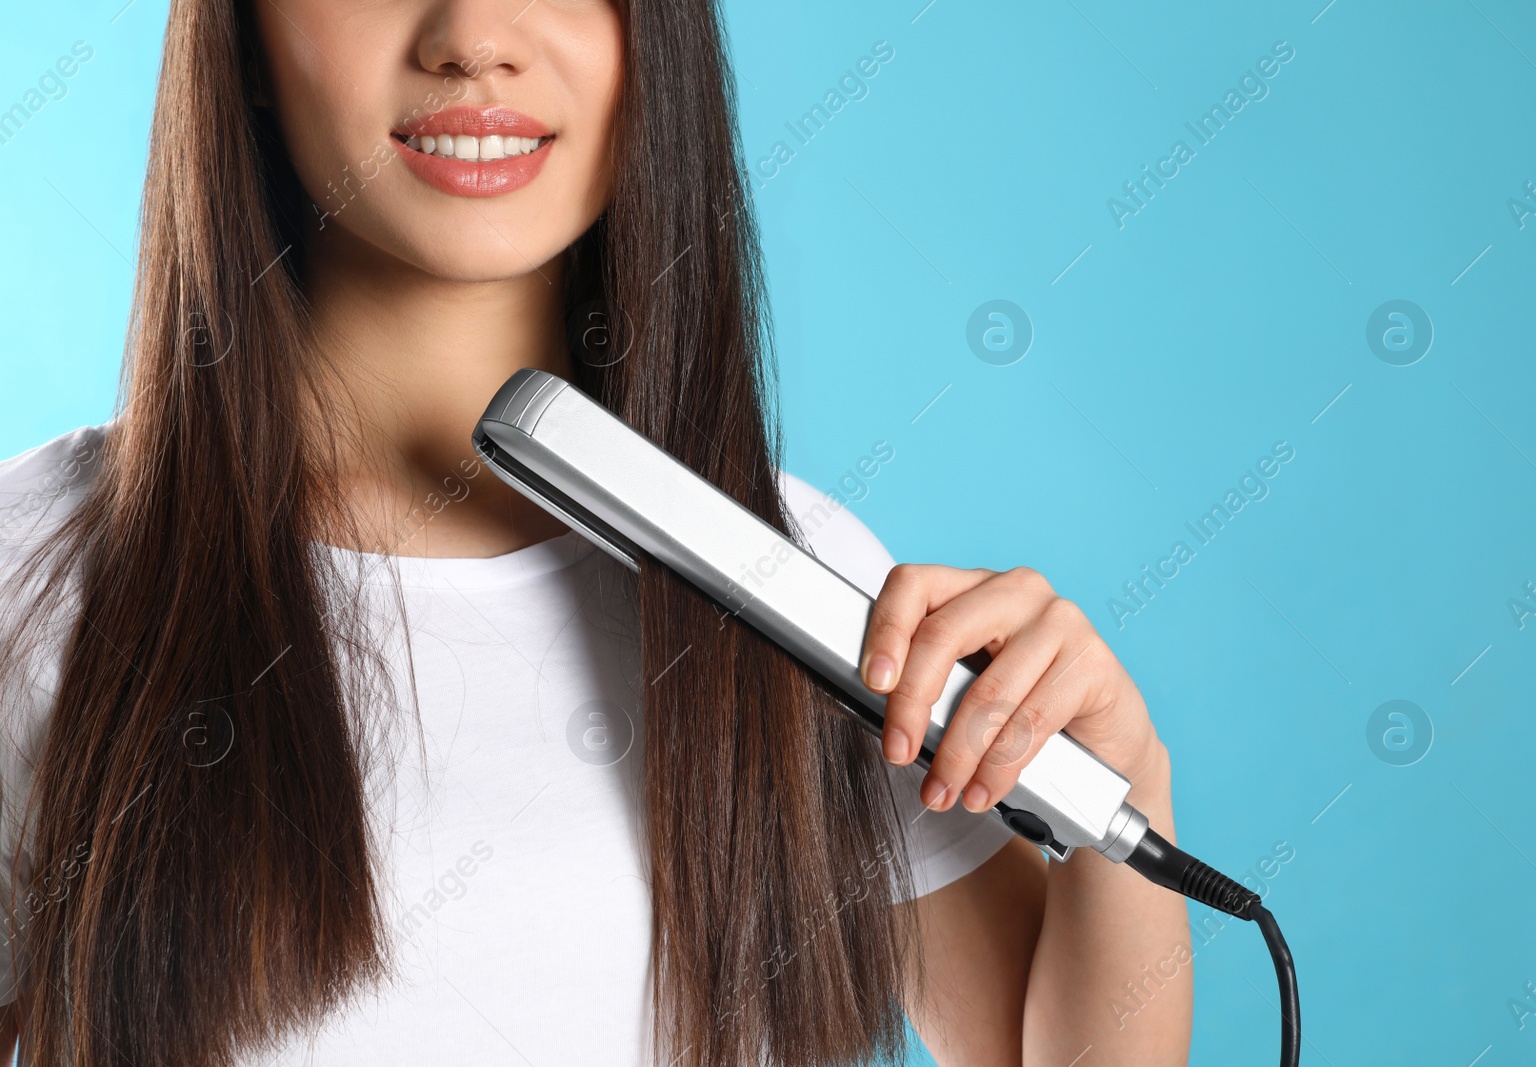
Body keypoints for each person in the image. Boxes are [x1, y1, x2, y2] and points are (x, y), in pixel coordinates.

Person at [0, 2, 1190, 1064]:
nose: (472, 36)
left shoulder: (801, 585)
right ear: (243, 40)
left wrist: (1121, 779)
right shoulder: (37, 570)